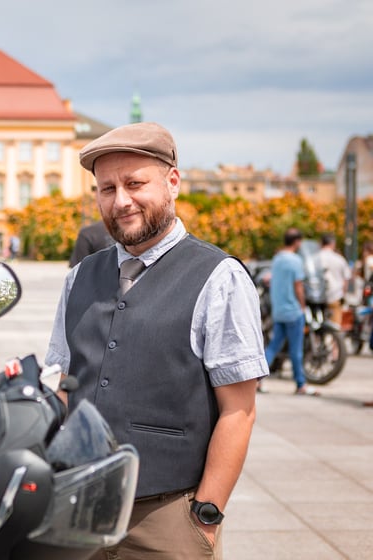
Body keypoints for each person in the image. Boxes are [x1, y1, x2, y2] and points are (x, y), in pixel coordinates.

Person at [45, 122, 266, 559]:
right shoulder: (79, 278)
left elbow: (239, 411)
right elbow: (65, 385)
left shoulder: (218, 277)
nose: (120, 201)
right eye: (106, 188)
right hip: (79, 513)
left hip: (167, 517)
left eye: (134, 184)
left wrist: (205, 516)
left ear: (173, 182)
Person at [263, 227, 319, 397]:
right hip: (293, 311)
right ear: (297, 242)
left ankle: (256, 379)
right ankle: (301, 384)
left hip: (279, 310)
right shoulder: (295, 260)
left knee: (273, 346)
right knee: (296, 350)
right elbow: (298, 286)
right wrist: (302, 306)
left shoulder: (277, 259)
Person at [317, 233, 351, 325]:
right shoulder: (339, 259)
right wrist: (343, 294)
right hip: (335, 296)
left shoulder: (315, 258)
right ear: (333, 244)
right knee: (335, 326)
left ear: (321, 243)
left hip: (316, 298)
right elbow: (346, 279)